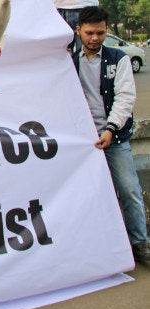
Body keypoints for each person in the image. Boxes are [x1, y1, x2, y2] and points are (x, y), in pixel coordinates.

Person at [72, 7, 150, 263]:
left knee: (129, 190)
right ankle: (94, 246)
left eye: (101, 33)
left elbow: (126, 98)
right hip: (81, 142)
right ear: (78, 30)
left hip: (113, 139)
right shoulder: (67, 61)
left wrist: (110, 129)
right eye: (90, 32)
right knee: (84, 195)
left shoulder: (119, 58)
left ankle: (139, 242)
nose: (95, 38)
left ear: (107, 31)